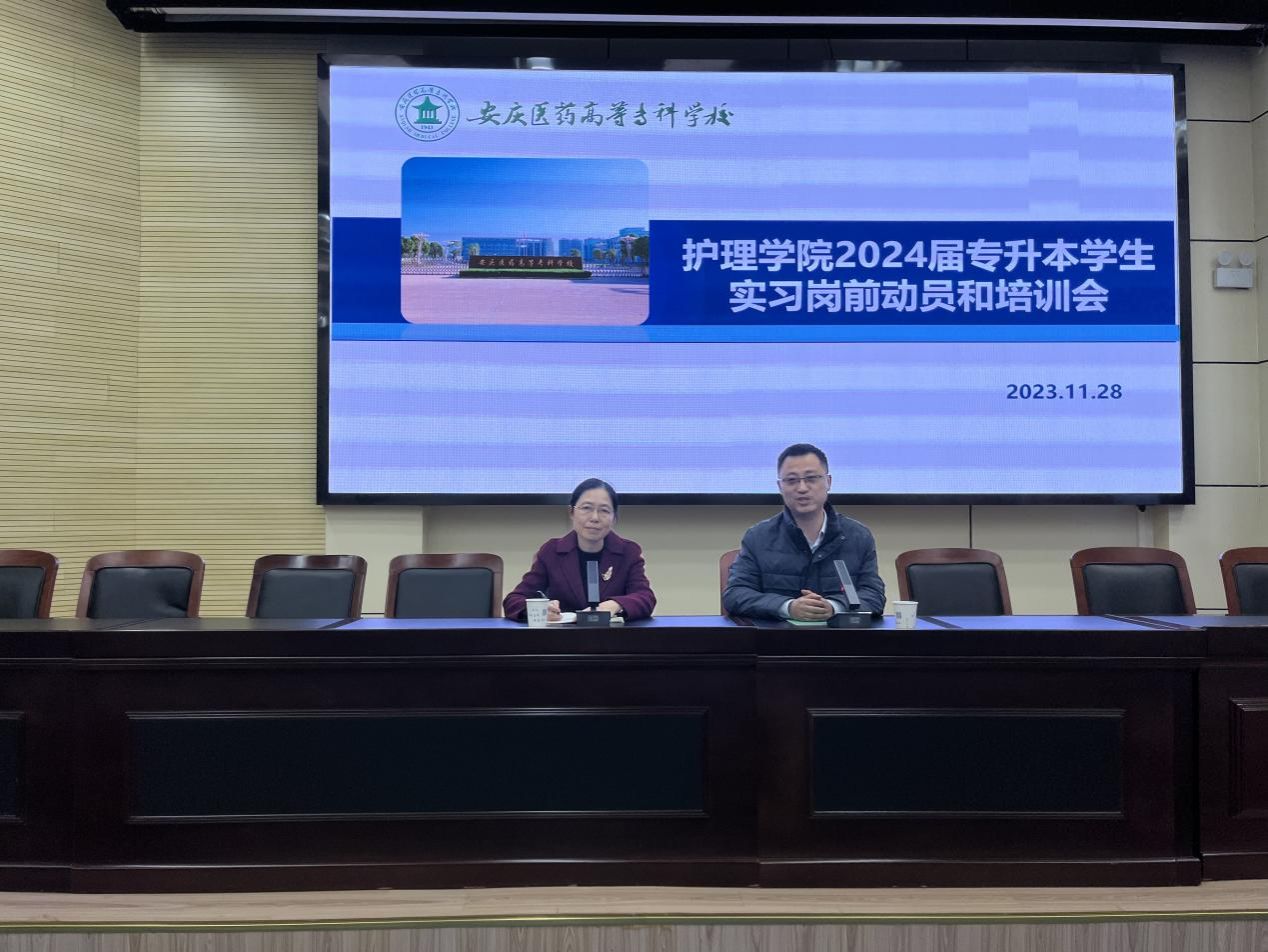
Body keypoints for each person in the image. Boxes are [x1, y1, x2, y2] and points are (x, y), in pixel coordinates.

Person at [723, 443, 884, 621]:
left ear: (828, 482)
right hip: (777, 636)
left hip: (840, 636)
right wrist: (788, 607)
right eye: (791, 480)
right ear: (780, 486)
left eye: (811, 478)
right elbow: (735, 594)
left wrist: (834, 607)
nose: (802, 488)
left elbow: (874, 596)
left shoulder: (858, 536)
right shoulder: (758, 537)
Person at [503, 478, 657, 622]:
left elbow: (646, 597)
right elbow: (513, 600)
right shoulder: (552, 551)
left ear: (614, 518)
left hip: (613, 638)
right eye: (586, 508)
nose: (595, 518)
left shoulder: (628, 552)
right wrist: (540, 610)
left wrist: (615, 605)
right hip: (563, 639)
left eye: (604, 510)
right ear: (572, 512)